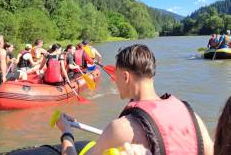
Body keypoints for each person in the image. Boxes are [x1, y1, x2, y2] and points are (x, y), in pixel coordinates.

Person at [56, 44, 213, 155]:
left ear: (125, 77)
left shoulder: (120, 128)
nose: (115, 81)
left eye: (115, 76)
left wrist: (66, 133)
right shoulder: (192, 115)